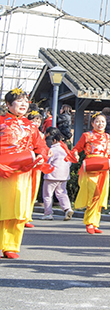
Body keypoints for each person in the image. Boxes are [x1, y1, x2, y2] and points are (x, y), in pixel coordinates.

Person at [0, 89, 49, 258]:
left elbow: (41, 146)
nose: (23, 104)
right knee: (2, 206)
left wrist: (41, 156)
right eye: (19, 101)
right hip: (3, 171)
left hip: (23, 173)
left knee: (18, 208)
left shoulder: (31, 126)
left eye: (25, 102)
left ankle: (11, 246)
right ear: (8, 104)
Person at [70, 112, 110, 234]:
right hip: (90, 167)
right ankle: (89, 222)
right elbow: (77, 148)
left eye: (103, 122)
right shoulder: (87, 135)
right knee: (93, 193)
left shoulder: (108, 137)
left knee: (100, 195)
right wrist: (75, 154)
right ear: (92, 123)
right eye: (97, 121)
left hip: (103, 168)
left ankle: (95, 223)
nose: (100, 124)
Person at [41, 128, 73, 221]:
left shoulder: (53, 150)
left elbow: (47, 161)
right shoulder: (66, 150)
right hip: (64, 175)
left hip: (52, 175)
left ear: (54, 140)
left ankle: (48, 213)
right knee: (62, 193)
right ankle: (67, 209)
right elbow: (70, 162)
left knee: (47, 195)